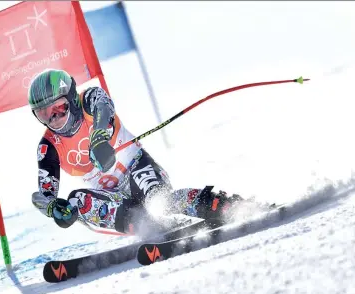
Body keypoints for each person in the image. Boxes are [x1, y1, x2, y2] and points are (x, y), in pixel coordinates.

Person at [29, 68, 243, 236]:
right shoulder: (49, 147)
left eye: (58, 108)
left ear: (72, 99)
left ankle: (222, 206)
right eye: (44, 115)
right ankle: (146, 225)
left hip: (137, 168)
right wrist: (55, 208)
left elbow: (104, 107)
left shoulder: (89, 99)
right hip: (112, 196)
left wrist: (100, 138)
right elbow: (43, 195)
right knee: (77, 200)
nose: (54, 119)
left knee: (160, 202)